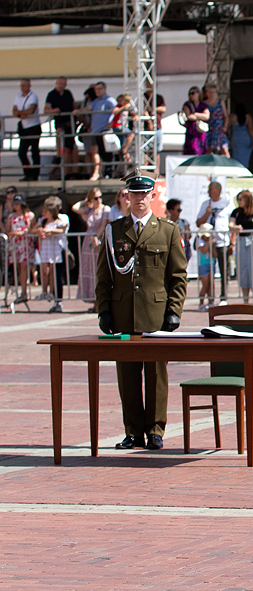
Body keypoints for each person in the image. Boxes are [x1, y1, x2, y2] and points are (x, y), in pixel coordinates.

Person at [95, 175, 187, 451]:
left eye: (144, 194)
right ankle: (133, 431)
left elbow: (178, 276)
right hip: (124, 313)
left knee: (157, 375)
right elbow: (104, 276)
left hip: (155, 314)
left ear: (152, 197)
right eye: (133, 194)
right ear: (126, 197)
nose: (138, 199)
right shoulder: (115, 230)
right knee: (127, 375)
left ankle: (156, 430)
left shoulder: (167, 230)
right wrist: (104, 310)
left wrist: (174, 310)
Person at [72, 187, 111, 307]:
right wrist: (86, 201)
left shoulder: (105, 209)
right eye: (95, 198)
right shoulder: (89, 210)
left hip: (98, 240)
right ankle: (93, 302)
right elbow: (75, 208)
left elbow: (103, 225)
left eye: (100, 197)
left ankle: (100, 301)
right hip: (87, 243)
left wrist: (96, 237)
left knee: (98, 270)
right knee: (88, 269)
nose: (98, 200)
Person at [195, 181, 232, 305]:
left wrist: (232, 242)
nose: (210, 192)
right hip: (208, 242)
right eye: (209, 190)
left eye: (212, 189)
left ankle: (224, 297)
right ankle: (210, 298)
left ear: (218, 190)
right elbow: (198, 223)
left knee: (224, 270)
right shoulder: (206, 204)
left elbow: (232, 222)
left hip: (222, 242)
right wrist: (207, 212)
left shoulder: (227, 203)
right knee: (208, 272)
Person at [228, 190, 253, 305]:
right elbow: (230, 224)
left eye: (241, 199)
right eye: (238, 199)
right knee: (243, 269)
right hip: (241, 241)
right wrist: (235, 227)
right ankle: (245, 298)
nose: (239, 201)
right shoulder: (236, 212)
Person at [33, 196, 68, 313]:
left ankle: (57, 300)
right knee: (45, 271)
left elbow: (63, 228)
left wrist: (49, 231)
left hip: (58, 251)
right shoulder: (42, 221)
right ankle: (48, 293)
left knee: (57, 275)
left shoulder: (62, 218)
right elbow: (32, 229)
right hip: (46, 251)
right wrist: (39, 230)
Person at [44, 77, 78, 179]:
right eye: (59, 83)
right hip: (60, 124)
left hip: (71, 124)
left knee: (73, 148)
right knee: (64, 149)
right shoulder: (51, 95)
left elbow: (73, 106)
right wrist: (53, 110)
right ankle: (65, 173)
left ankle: (73, 172)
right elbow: (46, 110)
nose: (61, 86)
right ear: (56, 83)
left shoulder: (67, 93)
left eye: (63, 84)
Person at [13, 78, 41, 181]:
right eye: (21, 85)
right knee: (22, 152)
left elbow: (31, 110)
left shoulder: (33, 96)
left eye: (24, 85)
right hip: (24, 128)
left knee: (34, 151)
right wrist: (22, 113)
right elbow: (14, 111)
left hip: (33, 126)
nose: (22, 87)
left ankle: (35, 175)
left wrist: (21, 113)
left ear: (29, 86)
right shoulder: (18, 96)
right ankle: (27, 173)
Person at [202, 83, 229, 157]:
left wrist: (225, 126)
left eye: (213, 92)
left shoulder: (220, 102)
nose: (212, 94)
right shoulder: (204, 103)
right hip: (209, 129)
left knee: (224, 148)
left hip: (219, 128)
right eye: (210, 92)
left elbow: (225, 116)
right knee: (209, 150)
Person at [181, 86, 209, 156]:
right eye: (190, 94)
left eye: (193, 93)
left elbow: (206, 116)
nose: (191, 95)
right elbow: (189, 116)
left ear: (198, 94)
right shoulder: (188, 105)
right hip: (192, 132)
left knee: (202, 151)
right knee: (193, 149)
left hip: (200, 133)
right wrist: (200, 116)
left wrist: (196, 115)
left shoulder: (203, 105)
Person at [227, 103, 253, 168]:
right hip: (246, 137)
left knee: (236, 155)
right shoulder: (248, 117)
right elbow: (250, 129)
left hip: (236, 137)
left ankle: (237, 169)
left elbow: (228, 128)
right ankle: (245, 168)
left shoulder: (232, 117)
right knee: (246, 156)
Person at [165, 198, 192, 262]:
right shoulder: (164, 222)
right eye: (178, 210)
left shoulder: (184, 222)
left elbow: (189, 236)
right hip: (169, 249)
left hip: (182, 249)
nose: (180, 212)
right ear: (171, 210)